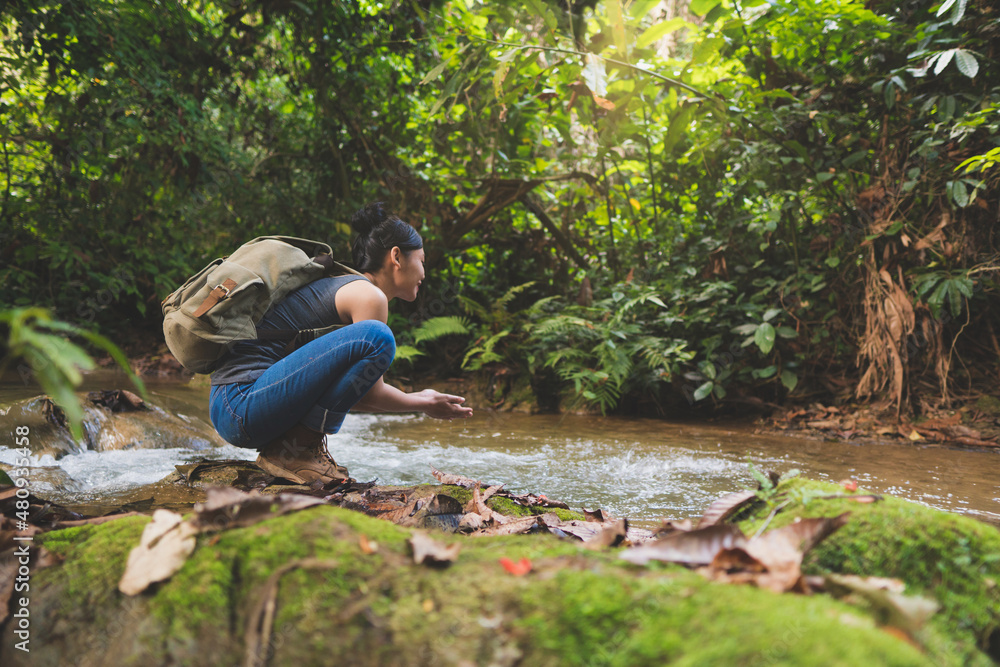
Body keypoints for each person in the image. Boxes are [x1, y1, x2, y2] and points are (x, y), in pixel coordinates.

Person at [208, 202, 473, 485]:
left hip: (233, 408)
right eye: (422, 261)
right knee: (378, 337)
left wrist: (423, 399)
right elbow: (369, 396)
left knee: (374, 338)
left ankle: (295, 452)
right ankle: (295, 453)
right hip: (242, 404)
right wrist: (421, 403)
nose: (423, 272)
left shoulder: (348, 286)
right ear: (396, 256)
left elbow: (353, 393)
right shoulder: (369, 297)